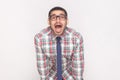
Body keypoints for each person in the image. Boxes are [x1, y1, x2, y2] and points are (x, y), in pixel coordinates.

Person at [34, 6, 84, 80]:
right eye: (54, 17)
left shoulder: (76, 38)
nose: (58, 21)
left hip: (69, 73)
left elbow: (78, 68)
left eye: (62, 17)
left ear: (67, 21)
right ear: (49, 21)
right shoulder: (40, 38)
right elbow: (42, 68)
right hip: (52, 74)